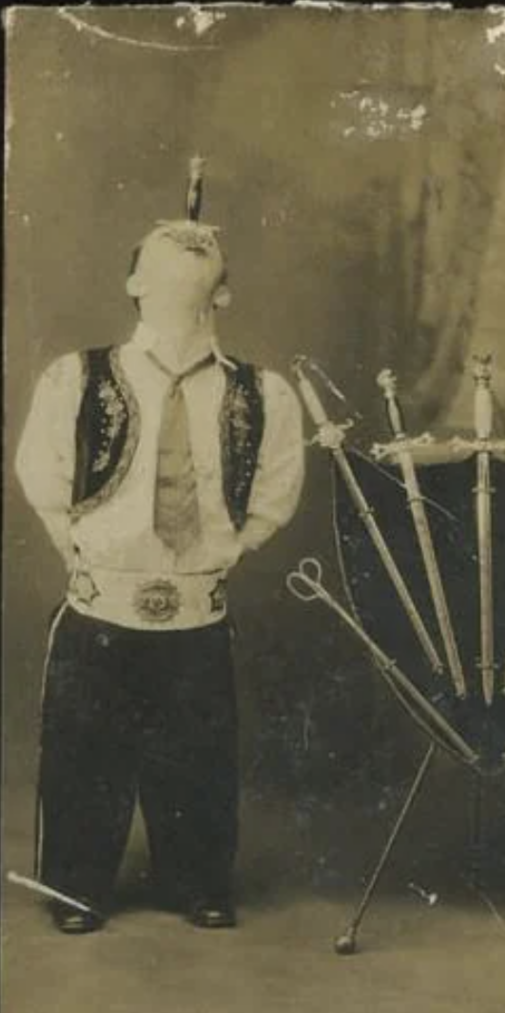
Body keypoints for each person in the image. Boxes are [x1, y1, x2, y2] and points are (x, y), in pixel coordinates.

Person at [15, 212, 305, 934]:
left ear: (224, 291)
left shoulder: (261, 394)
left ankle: (199, 882)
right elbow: (40, 471)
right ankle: (78, 887)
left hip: (196, 613)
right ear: (134, 282)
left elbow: (276, 487)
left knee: (198, 756)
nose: (188, 239)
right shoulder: (76, 378)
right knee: (86, 756)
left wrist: (231, 552)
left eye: (203, 242)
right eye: (164, 243)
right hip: (100, 608)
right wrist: (76, 545)